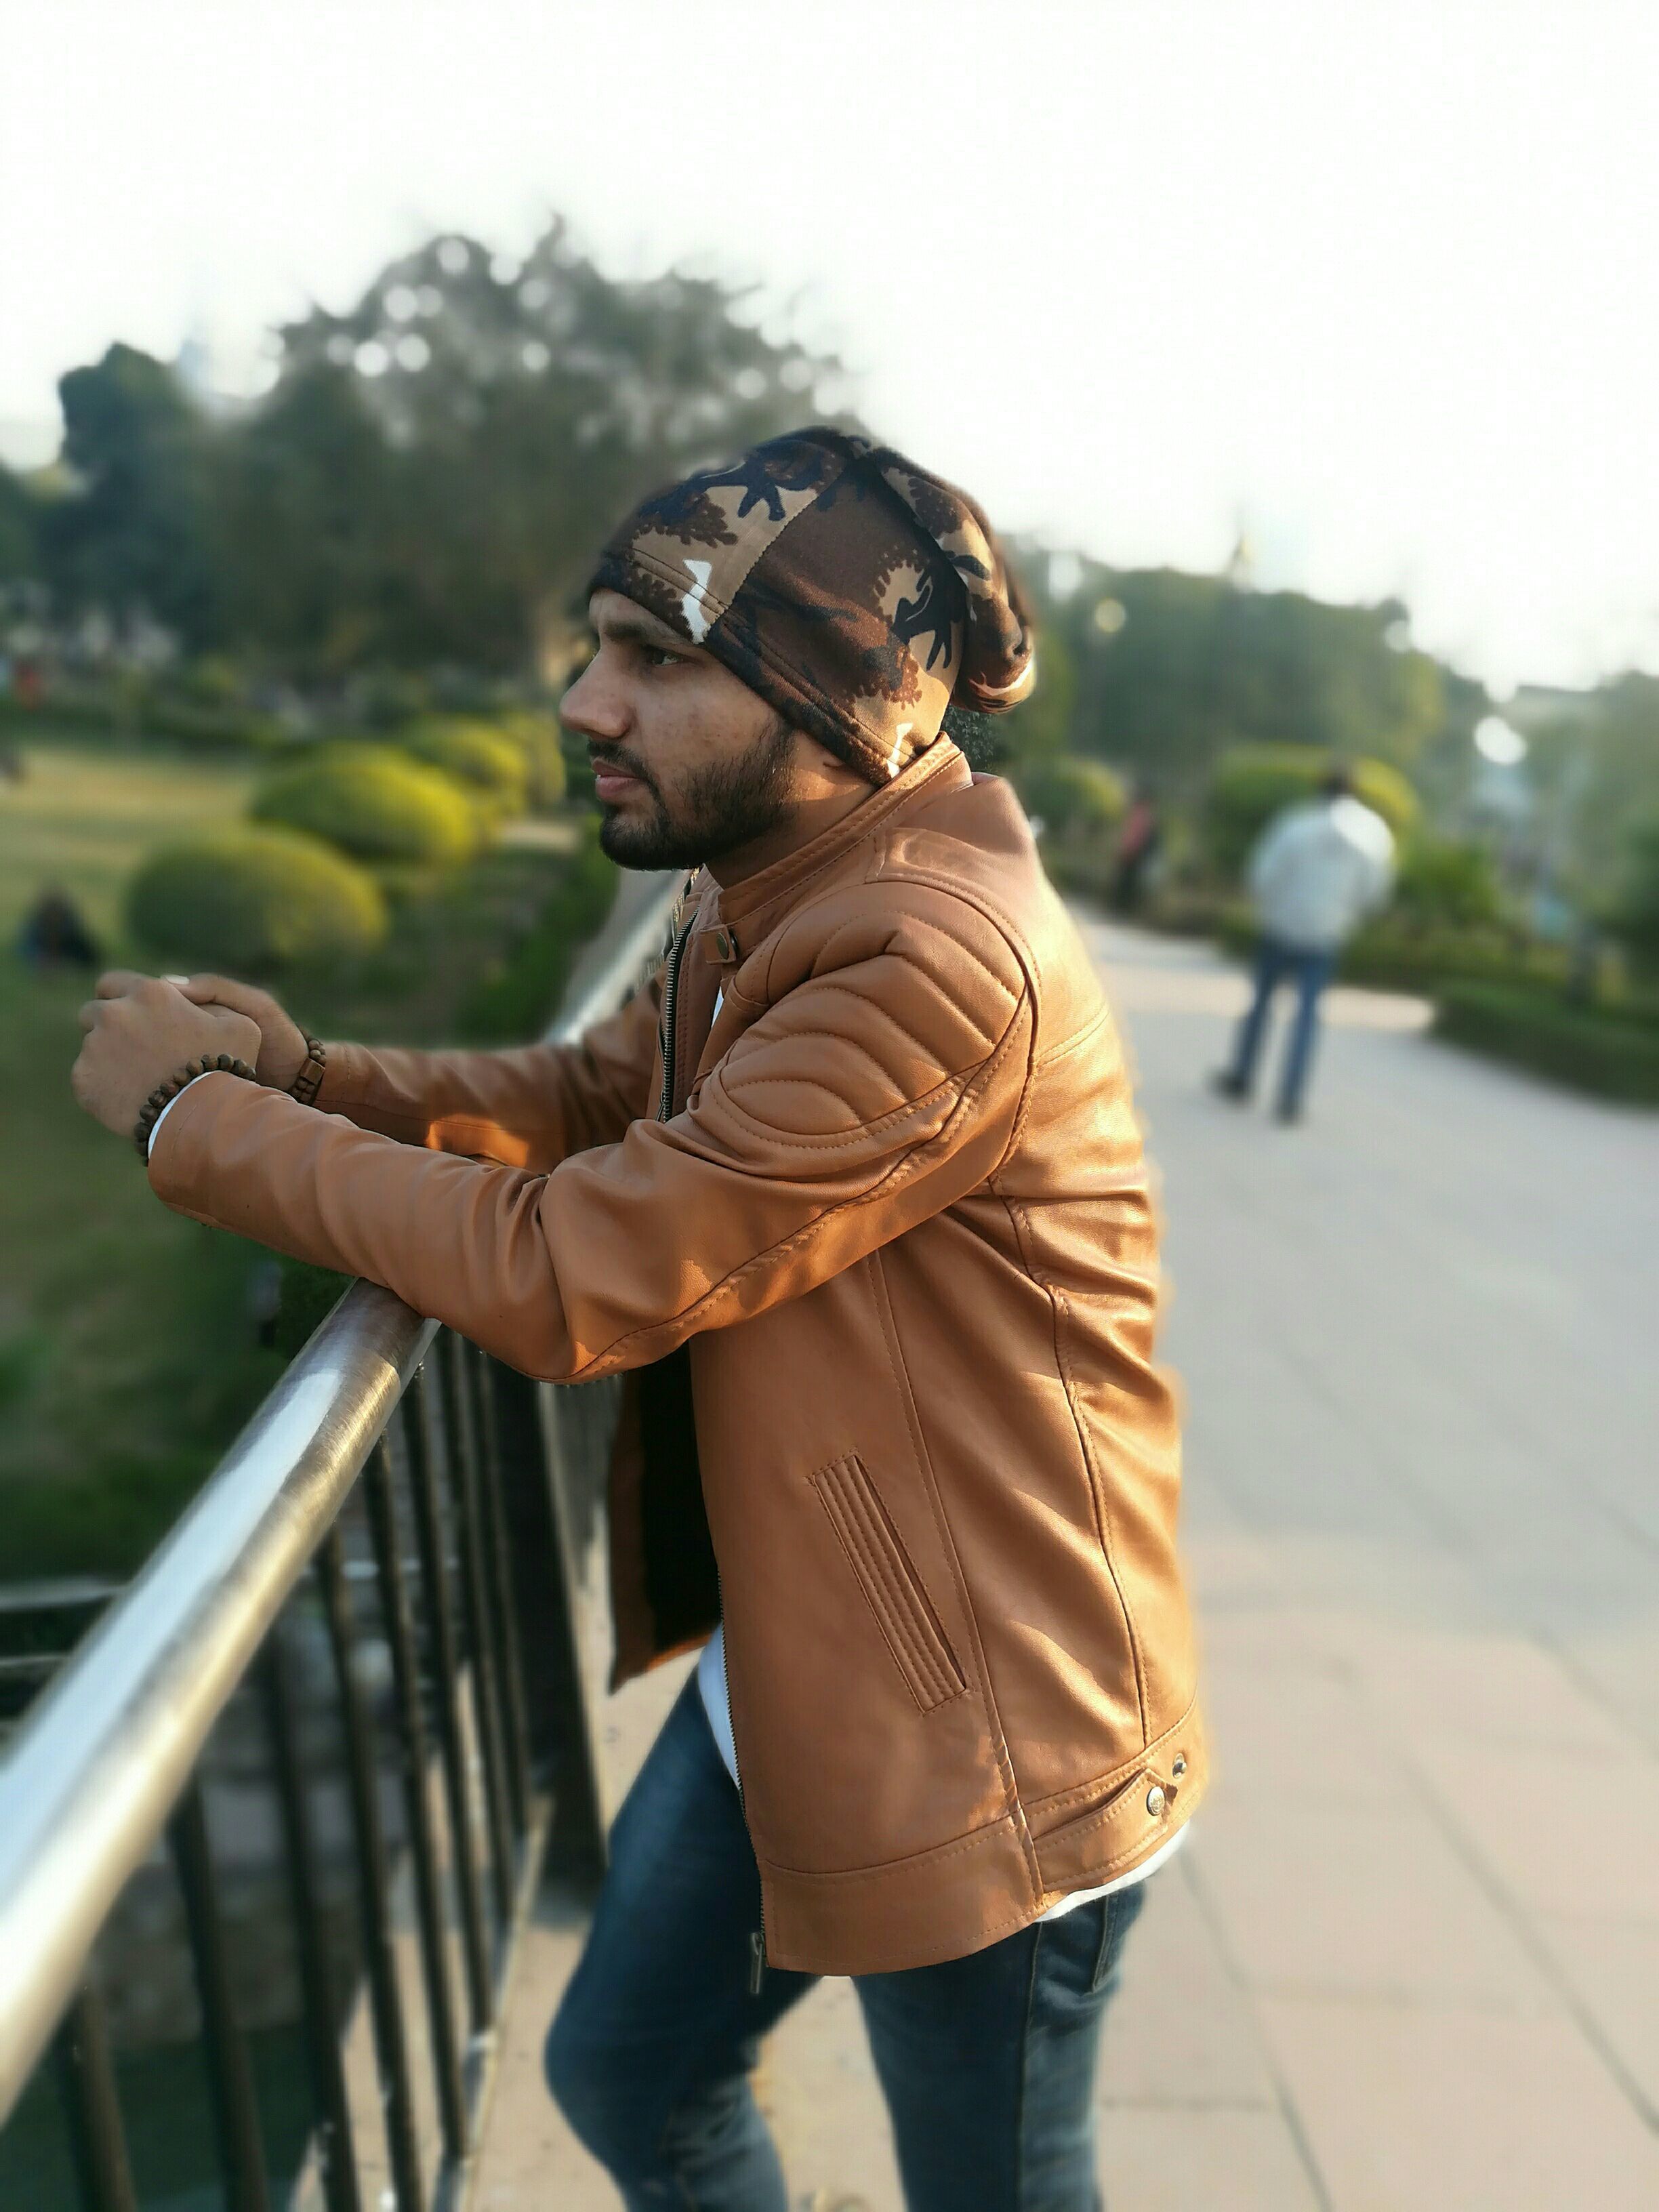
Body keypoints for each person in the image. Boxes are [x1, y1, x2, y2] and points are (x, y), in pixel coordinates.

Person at [70, 428, 1205, 2211]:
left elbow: (578, 1272)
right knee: (626, 2071)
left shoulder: (927, 957)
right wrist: (317, 1079)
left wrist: (194, 1126)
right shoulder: (779, 875)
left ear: (835, 703)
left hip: (990, 1727)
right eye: (598, 648)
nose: (585, 705)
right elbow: (601, 1097)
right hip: (815, 1656)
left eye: (656, 660)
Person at [1213, 765, 1395, 1122]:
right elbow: (1375, 890)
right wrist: (1348, 916)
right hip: (1327, 934)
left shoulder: (1296, 824)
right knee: (1308, 1017)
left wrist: (1271, 908)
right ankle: (1291, 1097)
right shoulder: (1370, 834)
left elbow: (1263, 874)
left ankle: (1242, 1078)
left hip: (1282, 926)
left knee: (1261, 1006)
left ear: (1320, 789)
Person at [1109, 786, 1161, 915]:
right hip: (1134, 852)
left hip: (1133, 852)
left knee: (1127, 880)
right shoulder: (1145, 815)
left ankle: (1121, 905)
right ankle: (1121, 905)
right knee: (1127, 880)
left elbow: (1134, 835)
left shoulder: (1141, 815)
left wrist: (1127, 849)